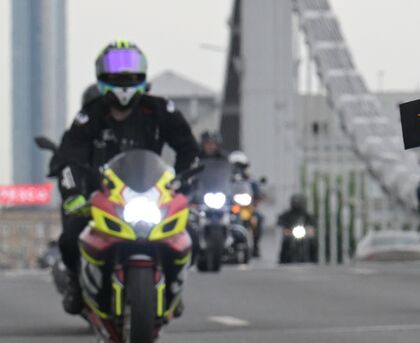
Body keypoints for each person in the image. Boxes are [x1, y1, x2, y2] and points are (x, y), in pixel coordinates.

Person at [51, 41, 198, 314]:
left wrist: (183, 185)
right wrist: (74, 195)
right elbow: (68, 160)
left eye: (130, 76)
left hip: (153, 195)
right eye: (117, 76)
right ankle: (75, 283)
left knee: (192, 234)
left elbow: (189, 149)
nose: (124, 82)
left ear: (143, 76)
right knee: (70, 238)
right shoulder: (89, 116)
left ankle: (174, 285)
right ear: (101, 77)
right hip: (103, 196)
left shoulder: (160, 110)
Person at [229, 150, 264, 258]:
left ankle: (256, 245)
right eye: (235, 166)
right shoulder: (226, 180)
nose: (238, 169)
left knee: (258, 218)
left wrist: (256, 200)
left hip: (246, 208)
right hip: (231, 208)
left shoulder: (251, 180)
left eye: (241, 166)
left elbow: (258, 193)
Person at [277, 194, 319, 264]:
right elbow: (281, 220)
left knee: (313, 242)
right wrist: (283, 224)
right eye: (295, 202)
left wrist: (312, 225)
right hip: (291, 233)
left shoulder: (306, 214)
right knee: (285, 242)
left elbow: (313, 220)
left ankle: (314, 259)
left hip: (304, 233)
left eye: (299, 202)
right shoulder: (288, 214)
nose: (297, 204)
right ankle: (283, 259)